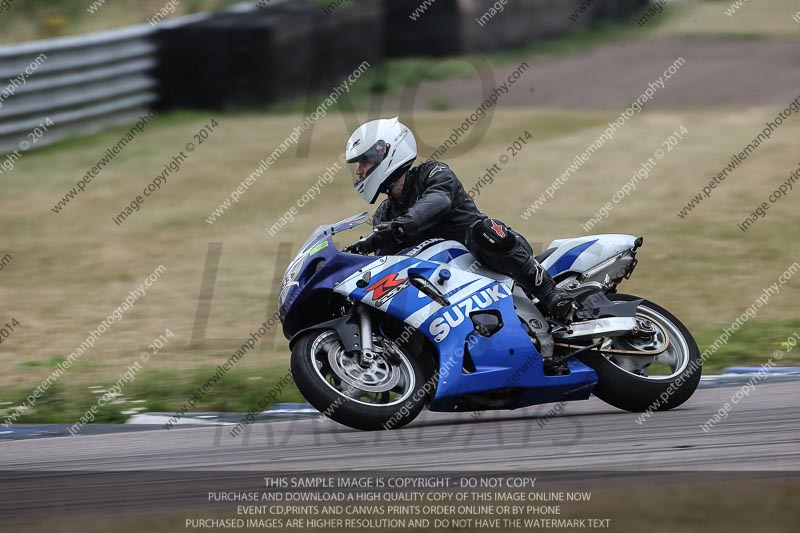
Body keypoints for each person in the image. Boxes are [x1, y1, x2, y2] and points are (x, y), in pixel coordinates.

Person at [343, 117, 575, 323]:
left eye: (364, 162)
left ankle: (549, 292)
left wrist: (399, 227)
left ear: (386, 151)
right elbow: (390, 265)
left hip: (489, 256)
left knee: (485, 230)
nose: (360, 171)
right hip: (446, 285)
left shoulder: (432, 172)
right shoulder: (384, 215)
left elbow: (438, 200)